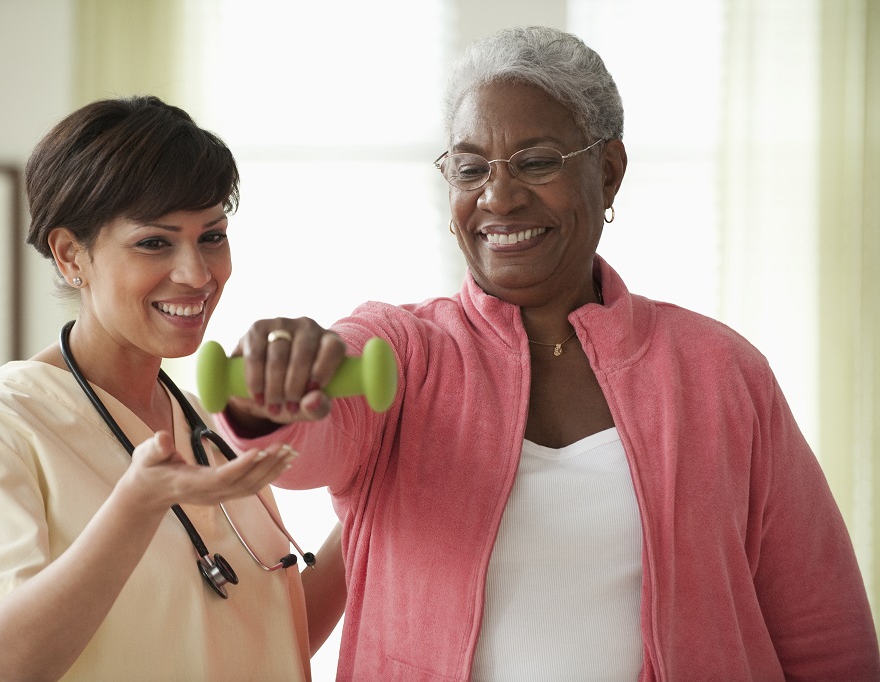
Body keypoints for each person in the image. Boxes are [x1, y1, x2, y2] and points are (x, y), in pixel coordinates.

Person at [212, 26, 880, 681]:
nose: (498, 197)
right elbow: (303, 445)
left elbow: (822, 630)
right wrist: (269, 391)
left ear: (608, 173)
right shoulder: (400, 348)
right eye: (470, 168)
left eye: (535, 162)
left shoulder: (720, 371)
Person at [0, 95, 341, 681]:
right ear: (71, 256)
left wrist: (379, 500)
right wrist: (136, 505)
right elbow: (13, 663)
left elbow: (267, 637)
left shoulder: (206, 427)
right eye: (154, 243)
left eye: (212, 237)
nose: (197, 273)